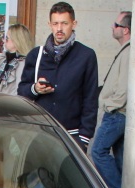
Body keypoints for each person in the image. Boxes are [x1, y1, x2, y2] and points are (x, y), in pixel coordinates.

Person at [17, 2, 98, 150]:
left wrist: (84, 139)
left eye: (64, 23)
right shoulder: (36, 55)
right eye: (55, 23)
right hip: (38, 133)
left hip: (71, 136)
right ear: (49, 24)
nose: (59, 29)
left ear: (74, 24)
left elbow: (90, 99)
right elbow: (22, 91)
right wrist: (35, 89)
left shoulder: (86, 55)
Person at [90, 11, 131, 188]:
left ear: (126, 30)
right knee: (120, 159)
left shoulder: (129, 52)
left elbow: (123, 90)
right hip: (117, 113)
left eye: (116, 25)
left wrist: (108, 105)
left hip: (116, 113)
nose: (112, 28)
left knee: (98, 152)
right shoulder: (125, 51)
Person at [0, 24, 34, 94]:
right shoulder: (4, 60)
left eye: (7, 38)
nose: (4, 40)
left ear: (17, 41)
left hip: (10, 103)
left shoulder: (22, 63)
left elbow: (19, 92)